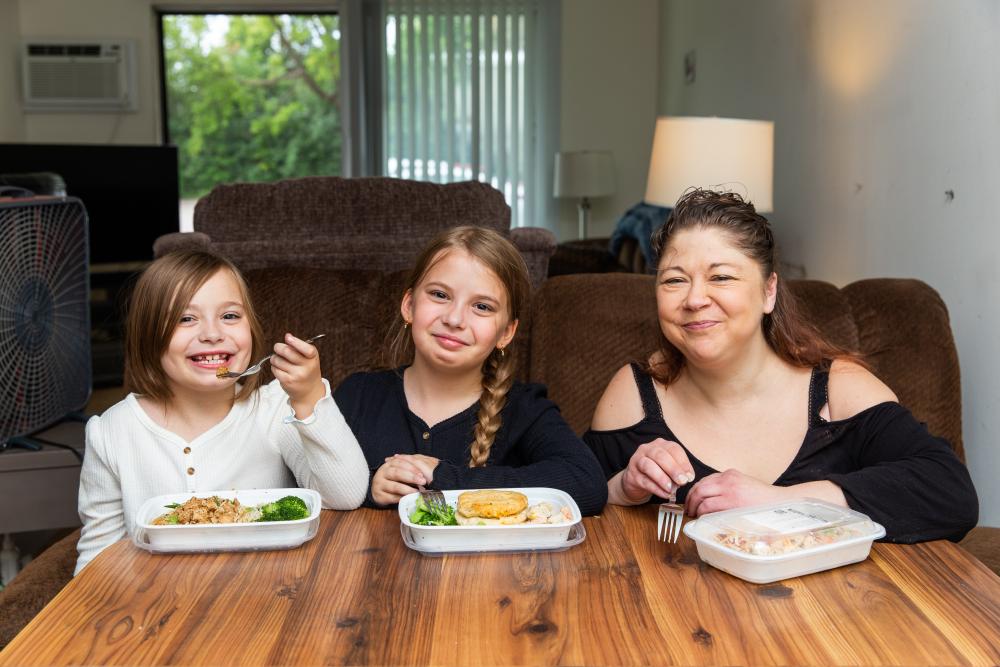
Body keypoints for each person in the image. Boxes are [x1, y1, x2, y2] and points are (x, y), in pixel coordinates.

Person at [584, 189, 978, 542]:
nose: (694, 299)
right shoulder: (633, 394)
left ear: (769, 291)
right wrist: (620, 489)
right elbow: (568, 499)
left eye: (720, 277)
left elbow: (950, 492)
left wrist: (780, 501)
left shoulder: (838, 388)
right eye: (674, 281)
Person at [76, 250, 369, 572]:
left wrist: (308, 396)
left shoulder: (274, 409)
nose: (212, 333)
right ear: (149, 337)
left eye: (230, 316)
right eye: (185, 319)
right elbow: (98, 559)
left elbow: (346, 495)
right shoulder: (112, 431)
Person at [334, 226, 608, 515]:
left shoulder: (524, 410)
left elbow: (587, 483)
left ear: (506, 332)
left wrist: (444, 479)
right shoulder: (358, 395)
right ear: (409, 305)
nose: (454, 319)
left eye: (481, 306)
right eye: (440, 294)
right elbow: (304, 481)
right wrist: (365, 488)